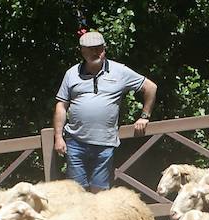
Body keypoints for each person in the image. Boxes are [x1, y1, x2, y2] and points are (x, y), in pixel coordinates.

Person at [52, 31, 156, 192]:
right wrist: (58, 137)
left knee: (100, 192)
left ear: (104, 49)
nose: (95, 52)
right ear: (82, 51)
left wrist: (144, 116)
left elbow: (150, 87)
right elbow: (61, 106)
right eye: (91, 48)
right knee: (76, 192)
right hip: (75, 143)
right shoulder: (71, 74)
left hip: (104, 144)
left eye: (99, 48)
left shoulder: (119, 71)